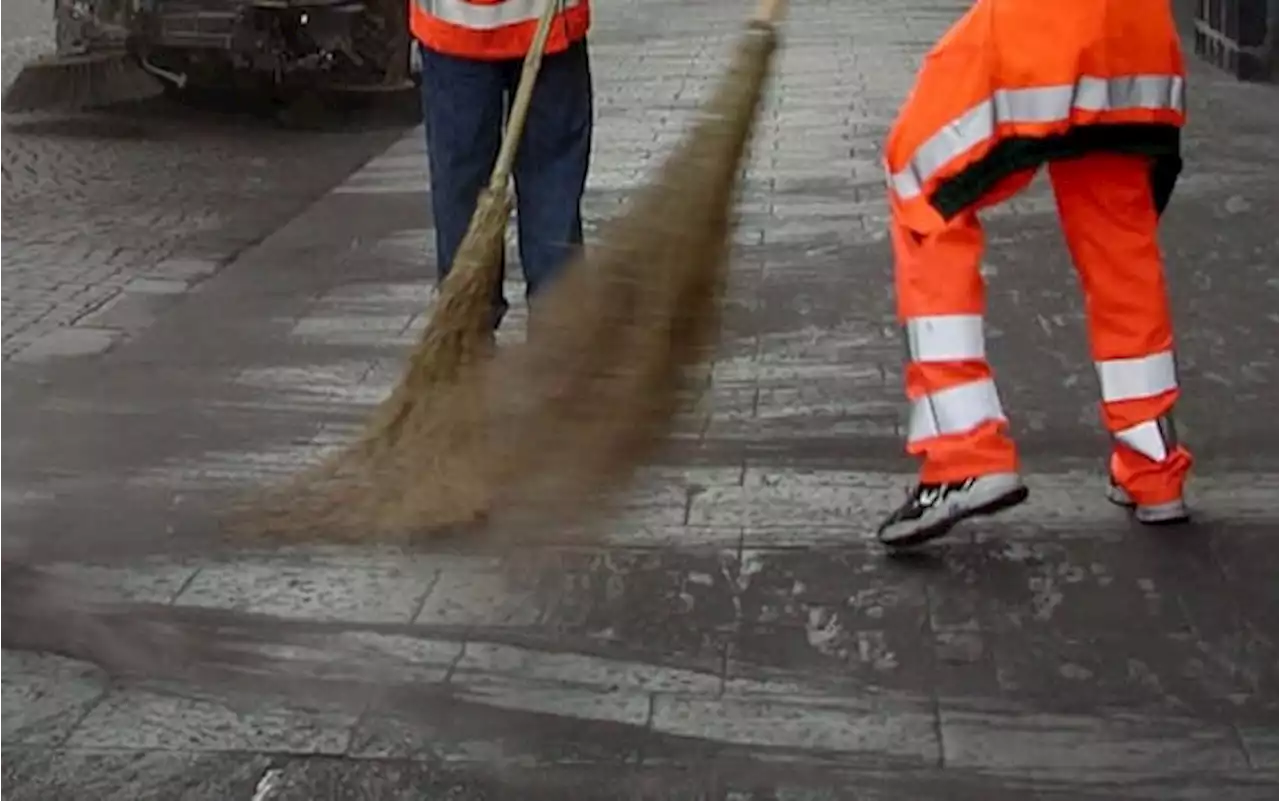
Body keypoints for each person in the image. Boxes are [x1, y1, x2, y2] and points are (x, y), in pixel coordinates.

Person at [876, 0, 1193, 548]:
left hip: (1046, 29)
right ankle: (1153, 466)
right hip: (1136, 39)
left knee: (920, 181)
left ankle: (963, 452)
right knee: (1119, 243)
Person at [409, 0, 594, 330]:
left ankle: (467, 335)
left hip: (458, 30)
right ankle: (558, 341)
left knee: (461, 189)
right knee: (551, 186)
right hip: (544, 23)